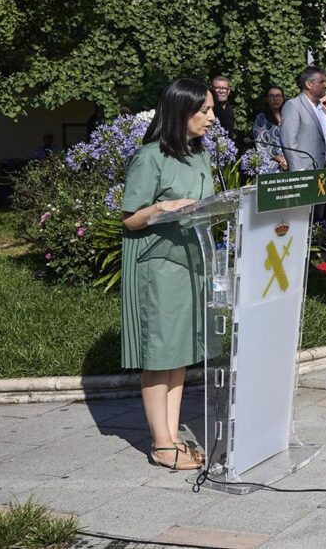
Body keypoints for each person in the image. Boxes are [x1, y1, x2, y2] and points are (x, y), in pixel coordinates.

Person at [119, 79, 216, 471]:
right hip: (157, 267)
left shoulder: (200, 155)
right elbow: (130, 218)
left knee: (177, 354)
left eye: (211, 110)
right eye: (204, 111)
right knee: (160, 354)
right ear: (181, 112)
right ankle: (161, 445)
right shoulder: (150, 157)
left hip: (190, 262)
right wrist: (162, 208)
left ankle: (172, 437)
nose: (212, 118)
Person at [280, 66, 326, 171]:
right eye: (321, 82)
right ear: (309, 84)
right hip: (306, 171)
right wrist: (298, 172)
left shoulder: (321, 108)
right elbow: (289, 142)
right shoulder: (294, 106)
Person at [252, 84, 288, 171]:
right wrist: (280, 159)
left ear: (283, 99)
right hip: (271, 164)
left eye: (278, 96)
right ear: (266, 99)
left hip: (291, 161)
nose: (275, 99)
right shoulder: (261, 118)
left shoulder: (290, 116)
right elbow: (260, 145)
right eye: (272, 96)